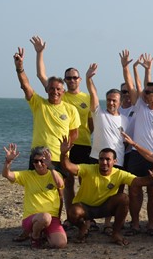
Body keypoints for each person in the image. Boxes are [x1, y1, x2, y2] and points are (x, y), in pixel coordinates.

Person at [59, 137, 153, 246]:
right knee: (73, 212)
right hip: (86, 208)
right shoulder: (88, 169)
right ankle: (83, 228)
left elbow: (138, 181)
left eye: (108, 159)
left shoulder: (119, 173)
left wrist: (152, 177)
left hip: (106, 207)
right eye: (101, 159)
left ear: (114, 161)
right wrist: (64, 154)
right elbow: (68, 166)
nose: (104, 162)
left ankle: (116, 233)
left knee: (124, 198)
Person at [121, 51, 153, 234]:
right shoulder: (140, 106)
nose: (144, 93)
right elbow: (131, 84)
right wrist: (126, 67)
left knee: (152, 191)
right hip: (136, 156)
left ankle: (151, 224)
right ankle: (135, 224)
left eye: (148, 92)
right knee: (134, 189)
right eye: (145, 91)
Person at [13, 47, 80, 170]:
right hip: (38, 157)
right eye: (52, 88)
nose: (55, 92)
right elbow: (25, 86)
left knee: (60, 182)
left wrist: (64, 149)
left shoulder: (71, 109)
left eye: (58, 89)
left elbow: (74, 134)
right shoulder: (38, 104)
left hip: (59, 157)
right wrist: (20, 68)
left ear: (63, 91)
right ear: (47, 90)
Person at [32, 36, 92, 165]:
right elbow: (41, 75)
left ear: (80, 79)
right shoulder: (58, 93)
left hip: (83, 143)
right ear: (64, 81)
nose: (72, 80)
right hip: (62, 145)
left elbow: (91, 123)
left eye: (75, 77)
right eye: (69, 78)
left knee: (82, 174)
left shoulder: (88, 98)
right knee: (65, 174)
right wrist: (39, 53)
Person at [2, 144, 67, 249]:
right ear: (33, 163)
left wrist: (51, 166)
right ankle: (35, 236)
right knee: (45, 217)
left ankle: (44, 233)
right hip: (32, 218)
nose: (39, 164)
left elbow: (60, 184)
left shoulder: (54, 174)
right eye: (36, 161)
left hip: (53, 218)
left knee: (60, 243)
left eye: (42, 161)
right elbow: (6, 175)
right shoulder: (27, 175)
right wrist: (8, 161)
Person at [85, 63, 129, 168]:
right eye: (109, 100)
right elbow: (93, 93)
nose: (111, 103)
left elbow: (125, 142)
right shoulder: (98, 113)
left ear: (120, 103)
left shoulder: (125, 120)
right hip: (97, 158)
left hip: (117, 161)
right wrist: (88, 78)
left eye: (114, 100)